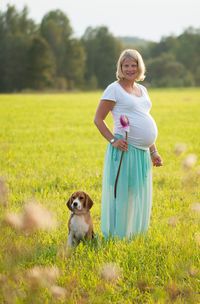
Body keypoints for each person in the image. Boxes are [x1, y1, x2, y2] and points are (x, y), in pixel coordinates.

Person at [94, 49, 163, 240]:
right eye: (126, 65)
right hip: (125, 150)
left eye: (134, 65)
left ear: (139, 67)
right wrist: (113, 140)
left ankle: (133, 235)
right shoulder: (113, 89)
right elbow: (98, 119)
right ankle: (117, 237)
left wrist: (153, 151)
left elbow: (144, 118)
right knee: (122, 194)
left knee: (137, 194)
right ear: (120, 68)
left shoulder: (143, 90)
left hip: (142, 153)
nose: (130, 69)